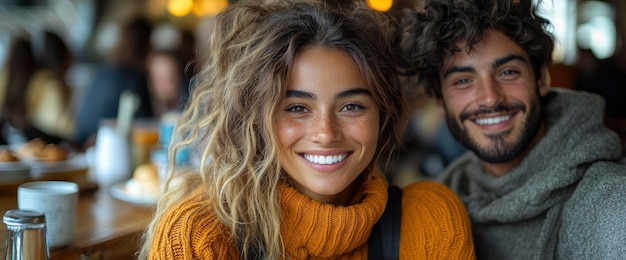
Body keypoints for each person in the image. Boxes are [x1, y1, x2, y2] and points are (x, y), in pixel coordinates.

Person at [139, 0, 475, 259]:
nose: (326, 133)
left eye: (351, 106)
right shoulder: (199, 234)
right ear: (256, 118)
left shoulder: (428, 218)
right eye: (297, 108)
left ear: (383, 116)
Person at [400, 0, 626, 259]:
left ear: (541, 79)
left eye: (508, 72)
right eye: (463, 80)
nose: (490, 98)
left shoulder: (612, 205)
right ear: (439, 100)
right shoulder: (439, 206)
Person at [74, 16, 154, 148]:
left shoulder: (102, 71)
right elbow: (145, 126)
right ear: (147, 45)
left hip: (82, 145)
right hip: (107, 149)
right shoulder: (134, 78)